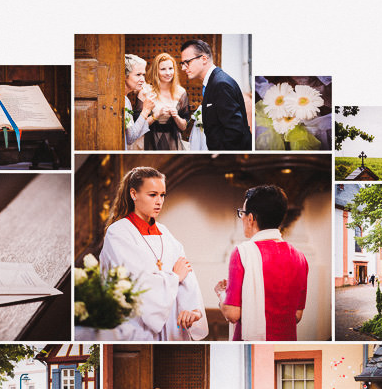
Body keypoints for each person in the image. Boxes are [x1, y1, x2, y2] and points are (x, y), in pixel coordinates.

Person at [98, 166, 208, 340]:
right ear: (134, 194)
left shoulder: (166, 233)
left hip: (172, 326)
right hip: (137, 328)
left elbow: (186, 273)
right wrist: (174, 277)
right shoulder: (118, 233)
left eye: (162, 195)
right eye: (152, 195)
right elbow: (135, 281)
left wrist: (192, 310)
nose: (159, 201)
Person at [214, 184, 309, 340]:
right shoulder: (300, 257)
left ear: (250, 218)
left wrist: (221, 293)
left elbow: (232, 313)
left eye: (242, 213)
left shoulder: (242, 253)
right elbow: (297, 315)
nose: (242, 218)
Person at [178, 39, 251, 150]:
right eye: (182, 64)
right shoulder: (213, 82)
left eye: (187, 62)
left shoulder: (221, 84)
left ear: (203, 59)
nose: (183, 68)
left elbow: (235, 130)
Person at [142, 53, 194, 150]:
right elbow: (138, 126)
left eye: (171, 68)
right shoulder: (145, 91)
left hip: (174, 144)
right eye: (163, 69)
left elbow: (184, 127)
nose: (168, 73)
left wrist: (176, 116)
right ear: (155, 71)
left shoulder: (181, 92)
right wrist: (156, 115)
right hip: (150, 143)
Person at [123, 53, 152, 150]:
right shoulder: (123, 101)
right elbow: (131, 137)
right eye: (138, 75)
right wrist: (146, 110)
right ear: (124, 75)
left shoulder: (125, 99)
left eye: (143, 75)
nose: (143, 80)